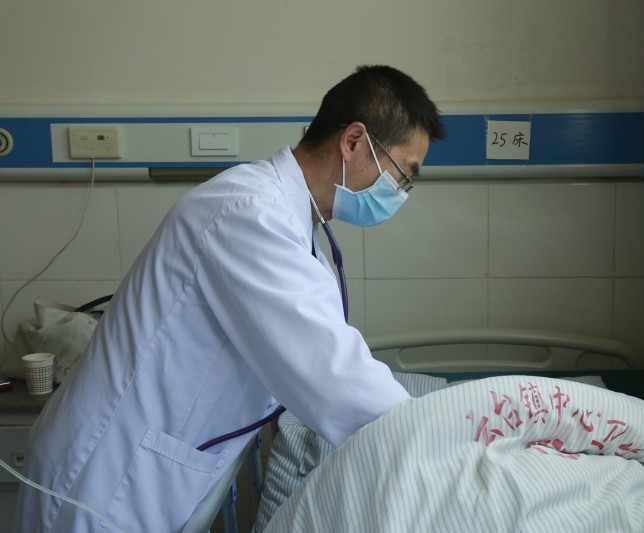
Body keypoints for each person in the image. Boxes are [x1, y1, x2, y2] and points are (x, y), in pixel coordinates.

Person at [14, 65, 446, 532]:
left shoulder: (286, 222)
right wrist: (445, 440)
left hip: (142, 472)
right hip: (102, 478)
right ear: (354, 141)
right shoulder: (249, 214)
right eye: (403, 175)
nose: (400, 193)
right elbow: (333, 371)